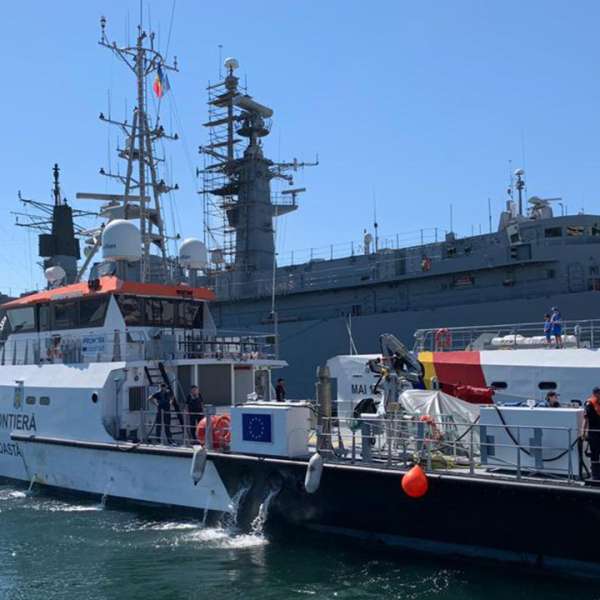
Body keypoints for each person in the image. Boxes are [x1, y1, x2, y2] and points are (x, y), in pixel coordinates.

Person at [583, 387, 600, 481]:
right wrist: (583, 432)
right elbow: (586, 419)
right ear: (595, 394)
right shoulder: (589, 404)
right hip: (593, 433)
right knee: (594, 453)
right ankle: (595, 475)